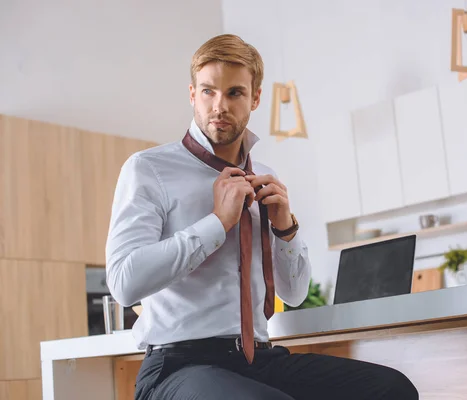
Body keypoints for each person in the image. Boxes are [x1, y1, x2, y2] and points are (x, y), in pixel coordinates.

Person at [105, 33, 418, 400]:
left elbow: (295, 293)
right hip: (178, 366)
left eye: (234, 93)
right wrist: (216, 224)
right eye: (208, 91)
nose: (219, 105)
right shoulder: (148, 169)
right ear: (192, 95)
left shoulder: (263, 177)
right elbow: (124, 283)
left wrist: (285, 227)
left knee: (391, 389)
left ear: (255, 98)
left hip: (258, 359)